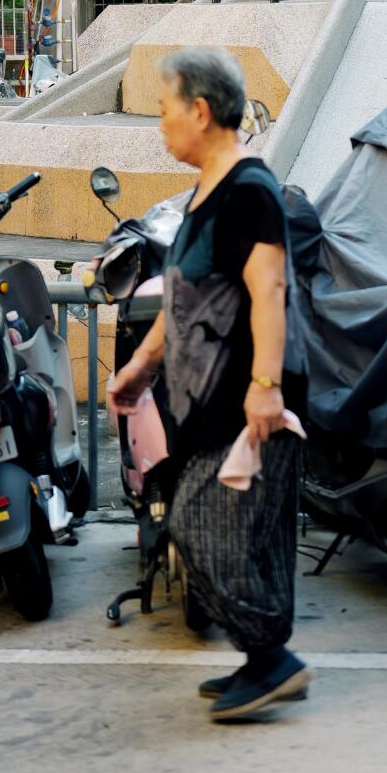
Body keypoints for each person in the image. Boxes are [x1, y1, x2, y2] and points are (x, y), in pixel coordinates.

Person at [107, 47, 309, 721]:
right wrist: (141, 368)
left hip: (245, 396)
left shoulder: (249, 190)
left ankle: (271, 659)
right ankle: (263, 660)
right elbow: (182, 299)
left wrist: (265, 386)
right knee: (245, 532)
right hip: (213, 397)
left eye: (164, 109)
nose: (159, 124)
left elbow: (269, 290)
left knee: (197, 524)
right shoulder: (206, 194)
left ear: (200, 110)